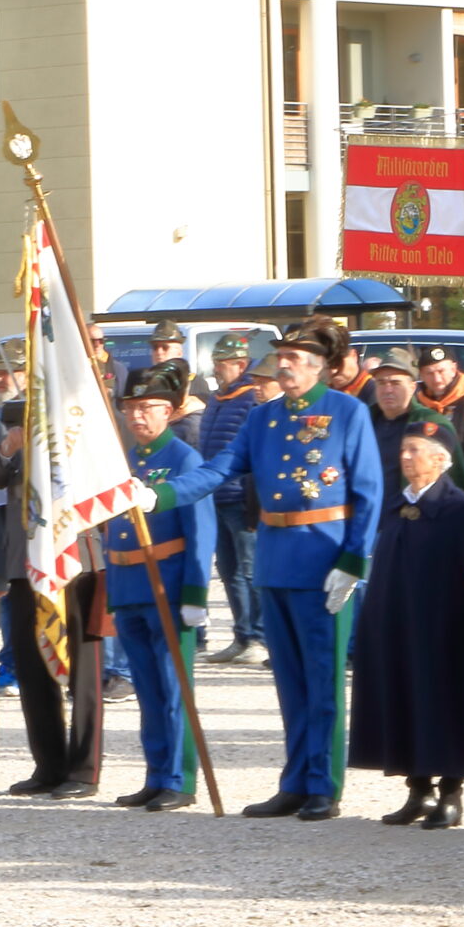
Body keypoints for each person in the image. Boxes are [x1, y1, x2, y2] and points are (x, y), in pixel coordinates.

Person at [147, 315, 384, 822]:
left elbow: (368, 490)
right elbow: (218, 469)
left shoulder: (346, 412)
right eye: (283, 359)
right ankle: (295, 781)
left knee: (323, 680)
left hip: (324, 557)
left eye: (296, 359)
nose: (286, 366)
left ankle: (324, 783)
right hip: (276, 558)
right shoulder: (264, 417)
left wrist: (352, 559)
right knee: (290, 681)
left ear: (319, 367)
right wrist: (159, 494)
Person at [348, 417, 464, 829]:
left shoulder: (458, 509)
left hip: (443, 629)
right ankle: (417, 788)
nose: (406, 457)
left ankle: (450, 792)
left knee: (443, 706)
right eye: (404, 449)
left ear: (441, 459)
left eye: (415, 451)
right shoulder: (396, 505)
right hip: (398, 625)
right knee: (403, 702)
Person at [0, 398, 105, 798]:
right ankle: (49, 765)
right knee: (33, 666)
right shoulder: (18, 446)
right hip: (26, 564)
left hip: (74, 561)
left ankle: (84, 769)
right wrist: (8, 447)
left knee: (83, 669)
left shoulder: (77, 435)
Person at [104, 363, 213, 812]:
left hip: (166, 584)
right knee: (147, 690)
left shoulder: (185, 460)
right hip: (130, 584)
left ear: (169, 411)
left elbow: (200, 531)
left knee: (173, 688)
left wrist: (195, 595)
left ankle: (178, 779)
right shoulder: (128, 460)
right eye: (131, 408)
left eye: (148, 408)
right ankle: (155, 773)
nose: (137, 417)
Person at [198, 334, 267, 666]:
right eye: (215, 363)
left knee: (251, 570)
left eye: (221, 364)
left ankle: (260, 636)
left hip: (241, 497)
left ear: (240, 364)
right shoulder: (217, 398)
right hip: (217, 497)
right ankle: (242, 636)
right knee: (229, 571)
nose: (216, 369)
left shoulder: (251, 397)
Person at [366, 348, 464, 497]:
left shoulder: (431, 422)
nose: (388, 390)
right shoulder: (366, 420)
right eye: (381, 383)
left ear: (412, 387)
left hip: (417, 514)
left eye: (395, 383)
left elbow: (457, 477)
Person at [146, 320, 212, 447]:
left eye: (165, 347)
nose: (159, 352)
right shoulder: (147, 384)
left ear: (179, 353)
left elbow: (197, 426)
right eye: (155, 347)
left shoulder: (195, 383)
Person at [417, 345, 464, 439]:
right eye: (430, 373)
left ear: (453, 369)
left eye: (441, 371)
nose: (437, 379)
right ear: (421, 375)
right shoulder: (418, 403)